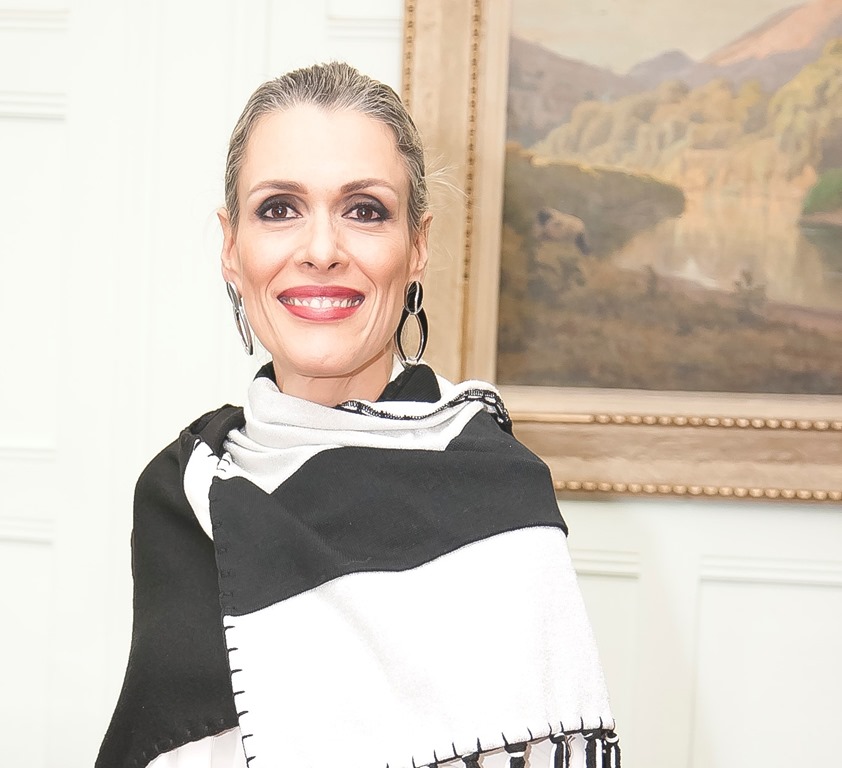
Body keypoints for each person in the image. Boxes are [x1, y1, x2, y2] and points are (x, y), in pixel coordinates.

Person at [96, 62, 618, 768]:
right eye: (279, 208)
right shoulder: (183, 494)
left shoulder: (498, 494)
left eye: (364, 210)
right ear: (230, 246)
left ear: (418, 246)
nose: (321, 251)